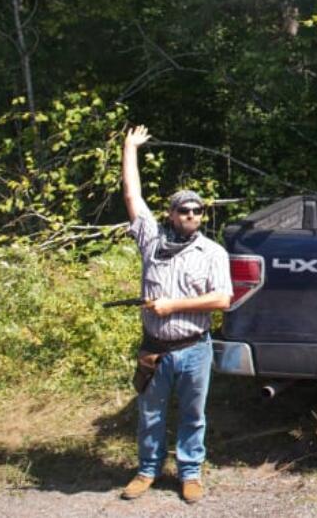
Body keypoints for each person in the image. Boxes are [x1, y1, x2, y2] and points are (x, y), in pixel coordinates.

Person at [119, 125, 232, 504]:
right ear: (170, 213)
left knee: (192, 417)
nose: (190, 215)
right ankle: (146, 471)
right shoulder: (151, 241)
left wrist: (173, 305)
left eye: (196, 211)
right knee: (150, 415)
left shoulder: (212, 253)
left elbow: (222, 300)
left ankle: (190, 473)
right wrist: (129, 148)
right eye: (183, 210)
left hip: (194, 349)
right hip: (154, 349)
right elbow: (133, 195)